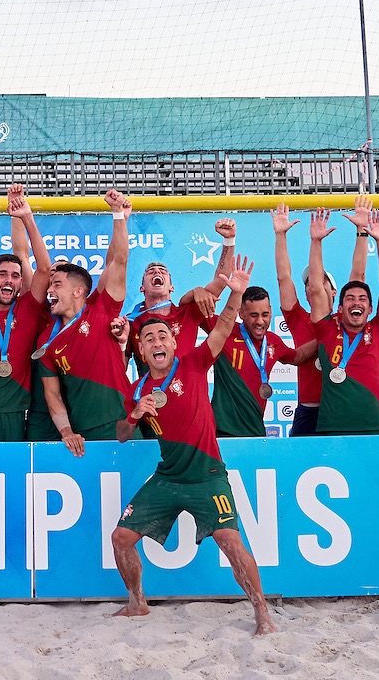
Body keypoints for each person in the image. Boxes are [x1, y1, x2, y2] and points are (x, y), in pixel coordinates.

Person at [112, 253, 277, 634]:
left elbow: (219, 330)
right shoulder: (137, 388)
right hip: (168, 478)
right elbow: (122, 433)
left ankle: (262, 614)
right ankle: (137, 603)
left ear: (174, 343)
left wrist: (234, 296)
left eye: (163, 336)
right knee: (120, 538)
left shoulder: (193, 363)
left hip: (207, 476)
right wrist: (135, 414)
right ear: (141, 349)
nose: (157, 341)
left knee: (232, 544)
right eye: (149, 337)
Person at [279, 202, 379, 435]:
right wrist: (315, 242)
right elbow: (311, 288)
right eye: (350, 299)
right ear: (340, 307)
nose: (356, 302)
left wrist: (375, 239)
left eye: (362, 299)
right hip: (328, 425)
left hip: (371, 427)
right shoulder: (327, 327)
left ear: (371, 307)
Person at [38, 190, 132, 456]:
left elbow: (118, 260)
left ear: (78, 291)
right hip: (84, 430)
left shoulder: (102, 307)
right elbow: (52, 394)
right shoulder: (46, 338)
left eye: (57, 284)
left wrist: (118, 216)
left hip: (126, 420)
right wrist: (67, 431)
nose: (50, 290)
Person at [0, 186, 52, 441]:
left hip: (16, 413)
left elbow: (43, 268)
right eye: (2, 274)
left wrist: (25, 217)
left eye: (15, 276)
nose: (9, 280)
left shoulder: (28, 308)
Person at [125, 218, 234, 374]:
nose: (156, 272)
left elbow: (221, 280)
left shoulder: (187, 313)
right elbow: (120, 365)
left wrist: (229, 240)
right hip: (148, 396)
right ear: (142, 288)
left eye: (162, 271)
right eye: (151, 272)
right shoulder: (130, 321)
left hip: (187, 396)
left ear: (172, 287)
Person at [209, 286, 305, 437]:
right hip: (222, 429)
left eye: (265, 314)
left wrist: (323, 339)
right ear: (241, 313)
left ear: (271, 312)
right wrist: (199, 292)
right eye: (253, 315)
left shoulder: (273, 341)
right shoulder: (224, 330)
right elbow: (192, 310)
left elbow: (298, 357)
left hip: (256, 429)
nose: (260, 321)